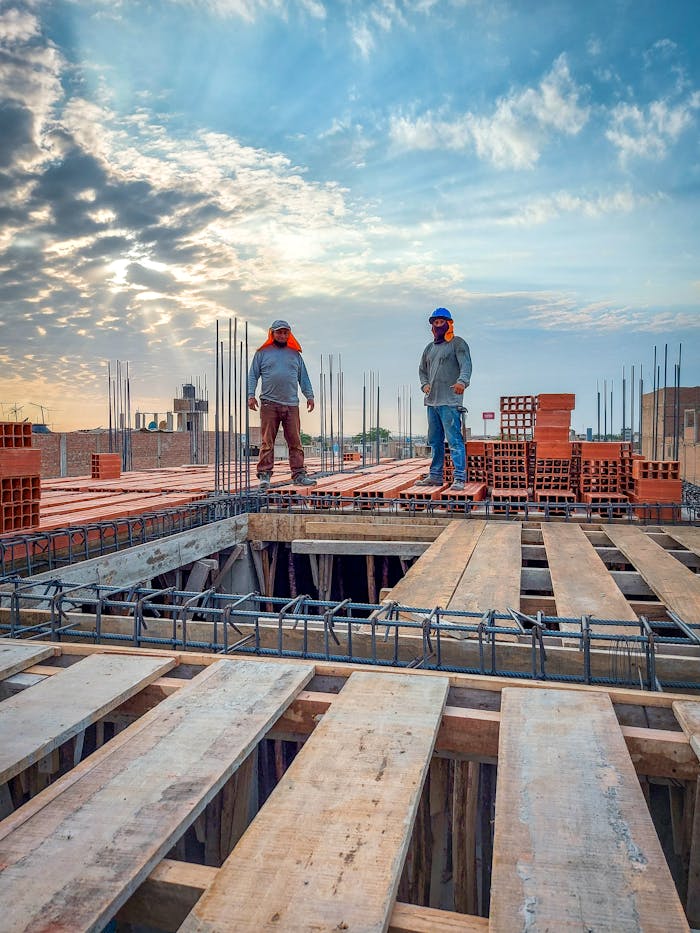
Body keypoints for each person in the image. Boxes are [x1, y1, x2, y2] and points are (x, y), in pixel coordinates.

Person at [247, 319, 316, 492]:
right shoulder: (262, 353)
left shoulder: (295, 355)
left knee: (295, 441)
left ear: (289, 334)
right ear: (272, 333)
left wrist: (310, 396)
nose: (282, 335)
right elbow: (253, 375)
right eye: (279, 332)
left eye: (285, 332)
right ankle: (264, 476)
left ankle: (299, 475)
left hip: (291, 405)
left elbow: (304, 377)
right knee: (267, 442)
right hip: (269, 404)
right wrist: (250, 395)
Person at [416, 307, 472, 492]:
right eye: (435, 323)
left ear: (449, 324)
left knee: (454, 440)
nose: (438, 325)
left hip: (450, 401)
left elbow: (466, 365)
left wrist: (462, 382)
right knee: (435, 440)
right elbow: (422, 370)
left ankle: (459, 478)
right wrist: (424, 385)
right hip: (432, 402)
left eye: (441, 322)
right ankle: (435, 476)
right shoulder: (429, 348)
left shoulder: (458, 344)